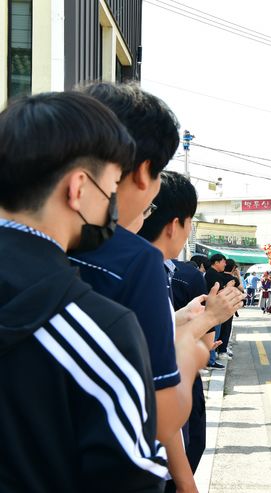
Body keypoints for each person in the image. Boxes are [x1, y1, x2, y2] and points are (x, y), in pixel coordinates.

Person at [70, 82, 237, 487]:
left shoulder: (53, 246)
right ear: (142, 171)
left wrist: (179, 321)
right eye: (159, 170)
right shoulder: (131, 261)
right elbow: (161, 411)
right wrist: (189, 348)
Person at [0, 91, 167, 490]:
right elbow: (133, 480)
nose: (111, 202)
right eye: (110, 186)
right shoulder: (103, 330)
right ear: (78, 188)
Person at [137, 171, 241, 491]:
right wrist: (208, 320)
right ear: (175, 224)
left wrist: (183, 317)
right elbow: (158, 366)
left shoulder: (152, 269)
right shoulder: (142, 271)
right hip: (151, 453)